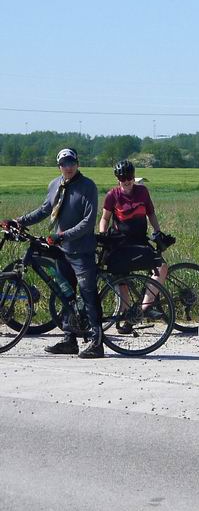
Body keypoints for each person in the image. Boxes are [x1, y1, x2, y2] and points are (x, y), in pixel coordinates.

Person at [1, 148, 103, 358]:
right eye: (64, 164)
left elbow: (88, 222)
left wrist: (62, 235)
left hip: (81, 250)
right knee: (64, 294)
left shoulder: (87, 186)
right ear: (59, 166)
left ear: (78, 163)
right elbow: (45, 209)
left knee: (88, 294)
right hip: (61, 249)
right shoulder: (55, 185)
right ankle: (69, 339)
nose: (68, 167)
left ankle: (97, 342)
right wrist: (19, 221)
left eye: (72, 163)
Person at [98, 160, 172, 329]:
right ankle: (127, 319)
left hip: (140, 240)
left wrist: (157, 231)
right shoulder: (112, 195)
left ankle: (144, 308)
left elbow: (151, 213)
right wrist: (103, 235)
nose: (127, 180)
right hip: (120, 242)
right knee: (121, 277)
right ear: (118, 178)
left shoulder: (142, 192)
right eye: (123, 177)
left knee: (162, 267)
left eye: (129, 176)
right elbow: (105, 218)